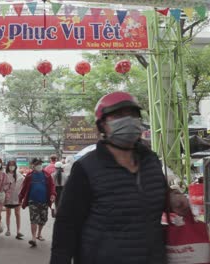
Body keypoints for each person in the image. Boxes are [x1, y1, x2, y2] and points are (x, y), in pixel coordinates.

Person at [50, 92, 190, 264]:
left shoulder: (151, 161)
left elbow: (153, 196)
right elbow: (66, 224)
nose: (128, 120)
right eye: (118, 116)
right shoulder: (86, 168)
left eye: (133, 115)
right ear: (103, 126)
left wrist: (172, 198)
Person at [19, 158, 56, 248]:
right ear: (33, 166)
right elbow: (24, 188)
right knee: (34, 219)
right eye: (37, 164)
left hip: (44, 201)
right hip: (33, 201)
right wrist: (20, 198)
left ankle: (39, 234)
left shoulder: (47, 175)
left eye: (40, 164)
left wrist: (53, 194)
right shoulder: (29, 176)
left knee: (43, 219)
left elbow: (52, 186)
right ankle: (33, 238)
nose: (39, 166)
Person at [4, 160, 25, 239]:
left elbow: (23, 186)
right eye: (10, 165)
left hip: (16, 198)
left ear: (15, 166)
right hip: (8, 198)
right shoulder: (5, 175)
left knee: (17, 214)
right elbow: (2, 185)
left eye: (13, 165)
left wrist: (22, 197)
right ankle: (8, 230)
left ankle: (18, 231)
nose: (11, 167)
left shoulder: (19, 176)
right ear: (8, 166)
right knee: (8, 214)